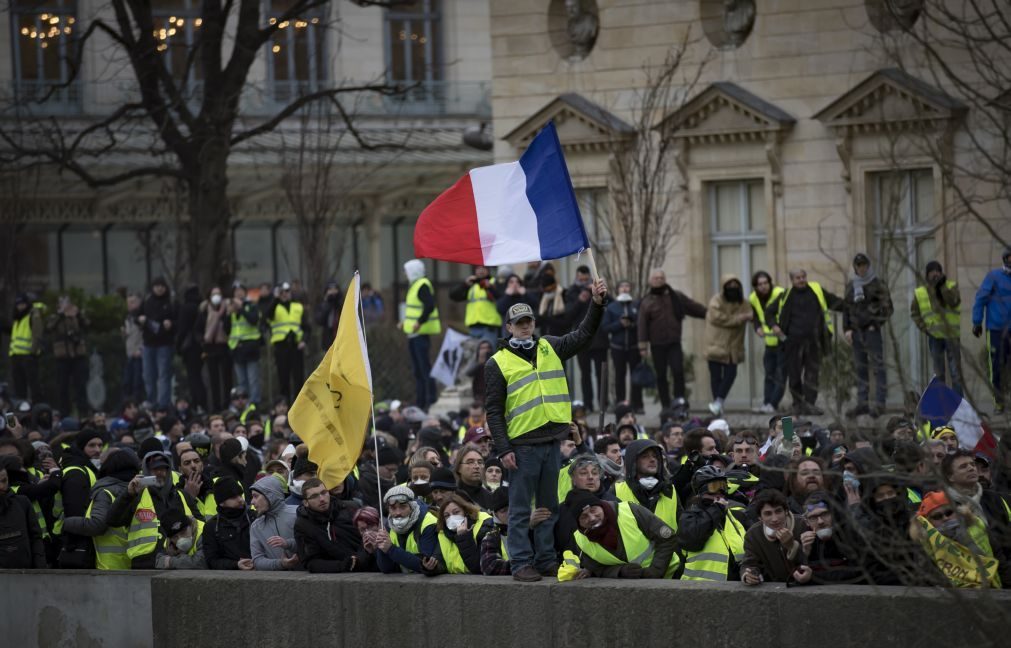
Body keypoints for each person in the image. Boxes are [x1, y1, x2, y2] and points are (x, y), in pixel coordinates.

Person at [484, 277, 607, 582]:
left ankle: (545, 559)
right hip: (522, 446)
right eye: (519, 323)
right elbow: (494, 412)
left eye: (528, 321)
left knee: (549, 507)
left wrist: (596, 304)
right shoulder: (497, 363)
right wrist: (504, 449)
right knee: (521, 508)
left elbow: (582, 336)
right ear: (509, 327)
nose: (525, 326)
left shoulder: (549, 346)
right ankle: (521, 562)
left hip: (552, 440)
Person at [105, 451, 201, 569]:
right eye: (155, 469)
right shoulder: (136, 496)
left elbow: (200, 525)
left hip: (179, 563)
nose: (160, 473)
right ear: (146, 471)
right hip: (145, 565)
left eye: (164, 469)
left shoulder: (181, 495)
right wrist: (128, 494)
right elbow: (112, 520)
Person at [768, 269, 843, 416]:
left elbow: (836, 303)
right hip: (792, 342)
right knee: (794, 374)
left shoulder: (816, 290)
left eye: (803, 277)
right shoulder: (786, 295)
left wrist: (853, 306)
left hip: (814, 342)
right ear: (792, 280)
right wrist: (774, 326)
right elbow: (769, 312)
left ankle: (809, 404)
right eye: (798, 278)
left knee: (812, 374)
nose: (801, 280)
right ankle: (797, 404)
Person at [566, 489, 679, 579]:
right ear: (578, 522)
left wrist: (655, 571)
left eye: (593, 510)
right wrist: (620, 571)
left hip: (671, 575)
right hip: (633, 590)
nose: (592, 518)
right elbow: (597, 569)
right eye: (583, 516)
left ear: (600, 505)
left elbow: (667, 538)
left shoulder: (630, 511)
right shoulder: (580, 540)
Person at [60, 448, 140, 571]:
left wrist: (65, 523)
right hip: (136, 559)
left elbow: (97, 524)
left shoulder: (106, 492)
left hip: (109, 563)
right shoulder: (139, 491)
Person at [637, 269, 707, 409]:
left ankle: (679, 401)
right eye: (656, 278)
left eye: (661, 277)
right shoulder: (647, 301)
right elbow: (642, 324)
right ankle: (666, 405)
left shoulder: (676, 296)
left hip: (674, 342)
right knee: (661, 375)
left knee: (678, 371)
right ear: (651, 281)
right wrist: (643, 346)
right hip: (657, 344)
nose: (659, 280)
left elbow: (693, 307)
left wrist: (710, 314)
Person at [911, 490, 1007, 588]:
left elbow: (1001, 561)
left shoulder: (978, 527)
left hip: (993, 590)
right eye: (937, 516)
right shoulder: (926, 545)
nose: (945, 518)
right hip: (954, 598)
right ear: (928, 522)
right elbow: (926, 578)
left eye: (949, 512)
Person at [842, 253, 894, 418]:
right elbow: (846, 309)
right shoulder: (851, 286)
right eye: (858, 266)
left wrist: (875, 324)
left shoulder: (878, 284)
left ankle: (880, 403)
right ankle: (862, 403)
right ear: (855, 267)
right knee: (860, 368)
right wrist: (847, 329)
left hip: (872, 332)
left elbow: (887, 308)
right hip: (856, 332)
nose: (861, 268)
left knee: (878, 367)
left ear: (868, 265)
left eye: (864, 265)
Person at [677, 466, 748, 581]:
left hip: (732, 590)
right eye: (714, 487)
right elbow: (693, 540)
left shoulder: (734, 518)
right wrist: (716, 509)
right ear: (701, 491)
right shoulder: (689, 517)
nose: (720, 492)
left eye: (723, 486)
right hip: (697, 590)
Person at [295, 478, 372, 573]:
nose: (322, 499)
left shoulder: (351, 508)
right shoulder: (303, 525)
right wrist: (344, 565)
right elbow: (311, 562)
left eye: (324, 492)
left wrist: (360, 558)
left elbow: (369, 534)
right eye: (315, 496)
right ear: (306, 503)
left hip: (370, 567)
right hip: (338, 576)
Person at [704, 275, 753, 416]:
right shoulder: (716, 301)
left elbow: (751, 314)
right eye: (729, 285)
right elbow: (717, 318)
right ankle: (718, 405)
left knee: (731, 374)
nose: (732, 288)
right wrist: (739, 318)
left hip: (734, 346)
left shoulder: (743, 303)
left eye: (735, 285)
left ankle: (718, 402)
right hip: (715, 344)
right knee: (716, 376)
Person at [911, 261, 963, 395]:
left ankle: (959, 406)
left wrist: (942, 287)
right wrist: (925, 328)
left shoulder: (950, 286)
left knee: (956, 373)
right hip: (934, 336)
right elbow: (915, 313)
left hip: (952, 335)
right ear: (927, 274)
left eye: (937, 271)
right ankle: (942, 406)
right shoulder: (921, 292)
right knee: (939, 374)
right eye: (932, 272)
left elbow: (954, 302)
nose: (935, 274)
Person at [57, 427, 104, 568]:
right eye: (92, 445)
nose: (97, 450)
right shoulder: (76, 472)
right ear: (81, 447)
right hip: (74, 539)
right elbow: (74, 509)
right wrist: (73, 541)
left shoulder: (86, 467)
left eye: (100, 445)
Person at [741, 488, 810, 585]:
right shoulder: (753, 535)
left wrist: (792, 546)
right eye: (768, 514)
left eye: (778, 511)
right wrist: (748, 575)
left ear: (786, 511)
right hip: (774, 589)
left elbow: (812, 560)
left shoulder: (803, 525)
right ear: (760, 517)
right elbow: (749, 563)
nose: (774, 519)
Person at [972, 248, 1011, 412]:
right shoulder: (993, 277)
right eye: (1009, 258)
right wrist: (977, 322)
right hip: (995, 329)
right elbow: (980, 299)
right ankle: (999, 402)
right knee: (996, 366)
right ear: (1004, 259)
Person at [796, 492, 864, 584]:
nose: (820, 521)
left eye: (825, 514)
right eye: (813, 517)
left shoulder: (849, 535)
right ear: (807, 522)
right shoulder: (805, 539)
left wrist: (814, 576)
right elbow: (800, 574)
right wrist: (805, 554)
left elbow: (857, 573)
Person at [614, 439, 679, 531]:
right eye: (645, 456)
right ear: (633, 462)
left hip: (668, 545)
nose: (652, 460)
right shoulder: (616, 490)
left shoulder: (670, 490)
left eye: (655, 456)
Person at [402, 259, 441, 411]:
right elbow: (415, 309)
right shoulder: (415, 285)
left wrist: (420, 322)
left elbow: (429, 305)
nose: (405, 274)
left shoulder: (421, 285)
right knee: (418, 370)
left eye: (406, 271)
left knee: (424, 369)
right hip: (413, 334)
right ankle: (420, 401)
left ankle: (430, 399)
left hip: (420, 334)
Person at [375, 485, 440, 574]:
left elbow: (426, 564)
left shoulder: (429, 523)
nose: (398, 513)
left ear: (412, 507)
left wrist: (391, 549)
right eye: (393, 508)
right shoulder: (388, 526)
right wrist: (382, 549)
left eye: (403, 507)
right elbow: (387, 569)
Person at [265, 281, 311, 403]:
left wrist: (304, 341)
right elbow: (266, 316)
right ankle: (284, 406)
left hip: (296, 346)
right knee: (283, 378)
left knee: (298, 378)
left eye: (287, 291)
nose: (285, 294)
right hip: (281, 346)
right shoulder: (275, 306)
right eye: (282, 292)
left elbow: (307, 328)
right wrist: (275, 299)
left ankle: (298, 405)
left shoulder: (298, 307)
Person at [46, 295, 90, 417]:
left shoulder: (76, 316)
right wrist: (61, 315)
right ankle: (65, 413)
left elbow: (87, 325)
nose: (66, 306)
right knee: (62, 387)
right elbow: (49, 327)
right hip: (62, 357)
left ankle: (83, 412)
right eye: (62, 304)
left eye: (67, 304)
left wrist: (78, 314)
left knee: (80, 385)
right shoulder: (55, 317)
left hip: (78, 356)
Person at [603, 280, 643, 413]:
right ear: (618, 289)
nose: (625, 289)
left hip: (633, 347)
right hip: (618, 347)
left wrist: (631, 324)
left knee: (636, 376)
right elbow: (606, 327)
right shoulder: (612, 307)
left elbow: (641, 324)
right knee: (619, 376)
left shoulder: (636, 305)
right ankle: (620, 403)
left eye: (627, 286)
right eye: (622, 287)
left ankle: (638, 404)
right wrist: (620, 324)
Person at [750, 271, 786, 414]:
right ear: (756, 286)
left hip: (783, 341)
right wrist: (757, 327)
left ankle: (773, 403)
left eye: (766, 283)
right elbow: (755, 317)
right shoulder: (753, 298)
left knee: (781, 375)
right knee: (769, 374)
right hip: (769, 341)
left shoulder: (780, 293)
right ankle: (767, 403)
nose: (764, 286)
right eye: (760, 284)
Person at [139, 277, 177, 409]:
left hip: (164, 344)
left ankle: (163, 403)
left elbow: (177, 321)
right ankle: (151, 400)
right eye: (157, 286)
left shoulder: (170, 303)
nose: (159, 288)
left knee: (163, 375)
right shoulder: (147, 302)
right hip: (149, 343)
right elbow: (137, 317)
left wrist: (171, 325)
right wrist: (141, 320)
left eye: (162, 286)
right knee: (148, 375)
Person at [434, 492, 494, 575]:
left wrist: (463, 536)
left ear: (465, 511)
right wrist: (431, 568)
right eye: (447, 515)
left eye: (456, 512)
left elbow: (478, 566)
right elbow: (440, 562)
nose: (452, 518)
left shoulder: (483, 524)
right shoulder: (443, 533)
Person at [248, 474, 299, 571]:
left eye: (255, 496)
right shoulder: (256, 526)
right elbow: (257, 560)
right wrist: (281, 564)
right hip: (276, 583)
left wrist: (288, 544)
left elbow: (312, 544)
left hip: (309, 580)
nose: (252, 502)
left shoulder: (297, 514)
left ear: (270, 495)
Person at [202, 477, 255, 570]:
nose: (240, 500)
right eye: (234, 497)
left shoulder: (254, 518)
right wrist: (236, 564)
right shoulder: (212, 527)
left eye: (240, 494)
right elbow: (212, 561)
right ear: (222, 502)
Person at [0, 465, 47, 568]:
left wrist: (40, 568)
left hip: (26, 574)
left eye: (4, 481)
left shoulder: (22, 502)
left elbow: (36, 537)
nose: (2, 486)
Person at [224, 282, 262, 405]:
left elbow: (253, 320)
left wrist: (241, 308)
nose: (238, 293)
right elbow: (227, 329)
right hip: (237, 348)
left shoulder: (251, 305)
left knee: (253, 379)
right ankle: (244, 403)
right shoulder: (231, 309)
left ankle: (254, 403)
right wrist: (228, 314)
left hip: (250, 348)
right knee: (241, 380)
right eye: (236, 291)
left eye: (240, 290)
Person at [197, 286, 233, 412]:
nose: (216, 296)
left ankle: (226, 405)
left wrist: (226, 315)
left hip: (224, 348)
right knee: (213, 381)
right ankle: (215, 407)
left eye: (218, 294)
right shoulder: (204, 310)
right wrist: (202, 340)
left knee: (226, 379)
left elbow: (229, 328)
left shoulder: (227, 309)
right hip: (210, 349)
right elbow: (198, 329)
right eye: (214, 294)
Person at [173, 284, 208, 412]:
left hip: (189, 347)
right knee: (199, 376)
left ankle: (197, 403)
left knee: (193, 377)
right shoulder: (201, 307)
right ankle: (203, 403)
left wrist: (178, 346)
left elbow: (182, 330)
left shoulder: (186, 308)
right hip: (201, 346)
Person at [7, 293, 45, 403]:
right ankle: (21, 409)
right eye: (18, 304)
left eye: (22, 304)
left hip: (28, 356)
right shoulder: (17, 318)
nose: (20, 307)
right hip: (16, 356)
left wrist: (32, 353)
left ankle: (38, 409)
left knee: (34, 385)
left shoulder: (32, 315)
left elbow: (37, 335)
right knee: (19, 386)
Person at [450, 265, 502, 346]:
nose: (481, 271)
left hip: (490, 326)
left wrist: (490, 288)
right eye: (478, 268)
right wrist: (465, 285)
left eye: (483, 268)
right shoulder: (471, 285)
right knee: (475, 355)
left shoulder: (494, 282)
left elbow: (501, 297)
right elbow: (453, 296)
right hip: (473, 327)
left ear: (488, 270)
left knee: (487, 353)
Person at [480, 487, 512, 575]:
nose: (510, 513)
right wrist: (520, 565)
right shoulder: (492, 536)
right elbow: (489, 566)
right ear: (496, 515)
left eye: (512, 507)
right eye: (504, 511)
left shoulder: (533, 529)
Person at [122, 293, 146, 404]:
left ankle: (136, 404)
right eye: (128, 303)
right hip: (130, 353)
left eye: (132, 302)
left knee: (137, 383)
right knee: (127, 382)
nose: (130, 305)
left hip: (139, 354)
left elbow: (146, 336)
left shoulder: (141, 317)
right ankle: (127, 405)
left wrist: (141, 349)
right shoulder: (128, 318)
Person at [453, 443, 492, 510]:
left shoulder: (490, 498)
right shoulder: (452, 496)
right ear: (459, 468)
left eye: (480, 462)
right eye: (470, 462)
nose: (477, 466)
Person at [315, 280, 345, 352]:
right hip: (328, 338)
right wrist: (327, 302)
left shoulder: (341, 303)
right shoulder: (323, 304)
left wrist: (338, 299)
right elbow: (319, 320)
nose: (333, 292)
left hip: (341, 337)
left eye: (335, 289)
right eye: (330, 290)